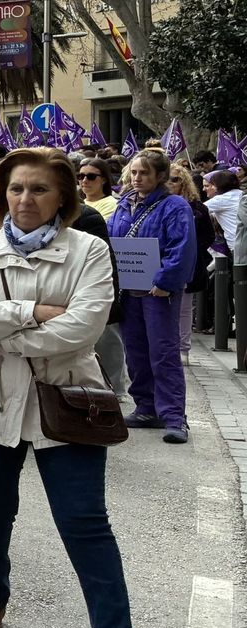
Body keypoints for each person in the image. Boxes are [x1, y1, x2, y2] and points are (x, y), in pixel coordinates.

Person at [0, 147, 146, 628]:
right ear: (0, 194)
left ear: (64, 197)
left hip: (71, 399)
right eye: (15, 189)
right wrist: (33, 311)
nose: (25, 199)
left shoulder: (89, 251)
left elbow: (82, 330)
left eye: (38, 189)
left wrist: (0, 329)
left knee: (85, 524)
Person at [111, 150, 195, 444]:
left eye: (144, 173)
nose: (137, 178)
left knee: (163, 352)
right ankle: (146, 407)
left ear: (160, 176)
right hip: (130, 292)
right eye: (133, 172)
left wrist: (165, 281)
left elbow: (181, 247)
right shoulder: (123, 205)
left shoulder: (174, 206)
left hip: (158, 293)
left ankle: (174, 416)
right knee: (135, 351)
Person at [166, 167, 213, 355]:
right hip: (163, 260)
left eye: (175, 179)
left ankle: (183, 349)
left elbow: (207, 235)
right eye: (167, 179)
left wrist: (189, 250)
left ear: (183, 183)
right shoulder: (157, 204)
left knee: (184, 308)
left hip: (188, 263)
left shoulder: (197, 208)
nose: (171, 183)